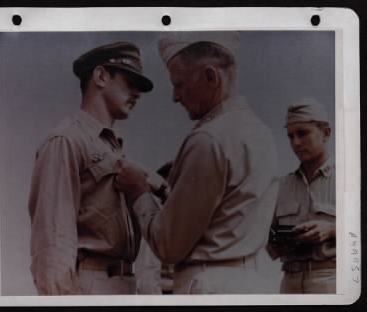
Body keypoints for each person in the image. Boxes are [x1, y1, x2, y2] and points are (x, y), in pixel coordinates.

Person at [114, 33, 280, 294]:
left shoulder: (208, 138)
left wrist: (138, 192)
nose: (175, 97)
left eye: (179, 84)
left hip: (206, 286)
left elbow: (168, 245)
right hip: (249, 285)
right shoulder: (261, 133)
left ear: (211, 77)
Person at [28, 41, 160, 295]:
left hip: (124, 284)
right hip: (91, 284)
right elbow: (53, 244)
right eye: (130, 81)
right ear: (100, 76)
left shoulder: (111, 146)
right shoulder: (66, 140)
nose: (137, 93)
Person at [268, 98, 336, 293]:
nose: (296, 143)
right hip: (289, 280)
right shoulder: (280, 186)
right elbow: (267, 238)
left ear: (326, 133)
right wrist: (283, 237)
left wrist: (332, 230)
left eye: (302, 133)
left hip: (331, 279)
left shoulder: (349, 178)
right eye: (290, 136)